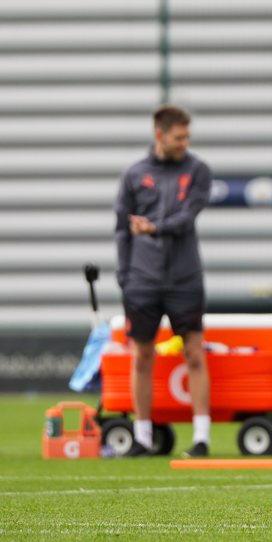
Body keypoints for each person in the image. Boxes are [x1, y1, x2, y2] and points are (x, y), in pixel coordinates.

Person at [114, 104, 213, 458]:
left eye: (188, 137)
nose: (185, 143)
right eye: (179, 137)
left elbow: (187, 217)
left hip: (185, 278)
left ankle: (202, 438)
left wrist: (154, 227)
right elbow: (121, 230)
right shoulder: (134, 174)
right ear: (159, 135)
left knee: (194, 353)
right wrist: (125, 276)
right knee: (141, 356)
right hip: (142, 281)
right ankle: (142, 437)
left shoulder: (198, 170)